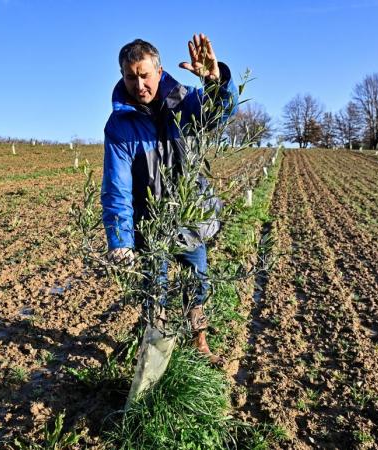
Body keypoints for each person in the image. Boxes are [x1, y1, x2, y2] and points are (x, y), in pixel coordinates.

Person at [101, 34, 238, 364]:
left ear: (159, 72)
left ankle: (199, 343)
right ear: (122, 76)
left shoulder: (185, 101)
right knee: (154, 291)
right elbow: (117, 186)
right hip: (151, 222)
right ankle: (154, 353)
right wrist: (120, 239)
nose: (139, 84)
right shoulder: (120, 125)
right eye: (131, 77)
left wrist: (215, 81)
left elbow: (220, 112)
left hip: (190, 215)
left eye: (144, 75)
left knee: (197, 284)